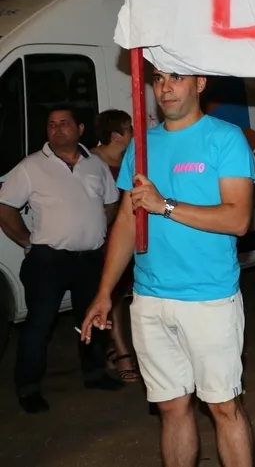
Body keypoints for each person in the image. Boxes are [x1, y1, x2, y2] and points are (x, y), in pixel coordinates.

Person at [82, 68, 255, 467]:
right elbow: (127, 221)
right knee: (171, 407)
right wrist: (105, 291)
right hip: (150, 299)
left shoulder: (225, 138)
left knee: (223, 406)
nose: (165, 87)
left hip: (209, 299)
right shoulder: (142, 146)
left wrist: (164, 205)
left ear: (200, 83)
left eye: (177, 77)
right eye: (158, 78)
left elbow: (238, 219)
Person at [0, 105, 123, 413]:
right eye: (51, 124)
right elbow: (5, 206)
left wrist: (96, 228)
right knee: (39, 324)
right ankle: (29, 388)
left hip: (89, 258)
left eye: (64, 123)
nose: (57, 129)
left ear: (80, 129)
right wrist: (26, 240)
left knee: (92, 319)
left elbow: (111, 203)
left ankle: (95, 374)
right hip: (48, 260)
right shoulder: (31, 166)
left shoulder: (95, 165)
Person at [91, 109, 140, 382]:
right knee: (115, 294)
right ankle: (122, 351)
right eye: (129, 128)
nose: (134, 132)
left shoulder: (129, 160)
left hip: (129, 233)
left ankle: (116, 345)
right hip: (106, 237)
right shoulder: (91, 161)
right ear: (116, 135)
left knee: (125, 293)